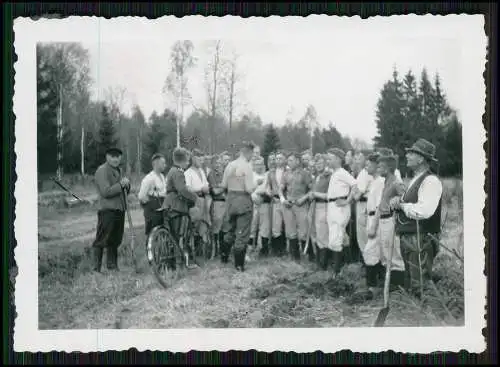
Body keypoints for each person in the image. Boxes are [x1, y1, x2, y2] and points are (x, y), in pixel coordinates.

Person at [391, 138, 443, 297]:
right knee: (411, 281)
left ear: (421, 158)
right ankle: (413, 313)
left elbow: (424, 211)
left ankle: (424, 315)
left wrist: (402, 206)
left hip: (421, 239)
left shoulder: (431, 181)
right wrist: (398, 201)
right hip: (410, 237)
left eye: (411, 153)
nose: (407, 156)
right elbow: (412, 203)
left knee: (420, 284)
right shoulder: (416, 179)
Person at [348, 152, 386, 304]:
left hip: (377, 219)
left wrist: (374, 225)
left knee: (371, 252)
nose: (366, 166)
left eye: (369, 164)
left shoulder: (381, 182)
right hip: (370, 217)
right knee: (374, 253)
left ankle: (373, 288)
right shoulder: (375, 181)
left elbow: (380, 206)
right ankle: (376, 285)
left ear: (377, 166)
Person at [91, 147, 130, 272]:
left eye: (118, 156)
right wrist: (121, 185)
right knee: (102, 239)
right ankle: (95, 269)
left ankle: (112, 267)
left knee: (115, 240)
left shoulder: (119, 170)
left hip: (119, 210)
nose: (115, 159)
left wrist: (127, 185)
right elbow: (105, 191)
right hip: (107, 210)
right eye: (112, 156)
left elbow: (124, 192)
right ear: (107, 157)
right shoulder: (102, 171)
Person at [220, 141, 256, 271]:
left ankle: (224, 257)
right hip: (243, 201)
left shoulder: (230, 165)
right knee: (242, 233)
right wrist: (257, 183)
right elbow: (249, 188)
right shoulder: (246, 166)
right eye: (252, 153)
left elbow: (223, 185)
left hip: (230, 200)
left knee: (230, 230)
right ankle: (239, 265)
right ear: (249, 152)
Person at [376, 149, 406, 290]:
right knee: (385, 252)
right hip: (382, 220)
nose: (378, 169)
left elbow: (406, 198)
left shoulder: (396, 182)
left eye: (380, 167)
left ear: (388, 168)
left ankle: (398, 286)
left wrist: (398, 200)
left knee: (393, 253)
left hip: (390, 220)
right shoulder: (386, 182)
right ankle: (388, 284)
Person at [326, 148, 357, 278]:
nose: (328, 160)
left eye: (330, 158)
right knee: (340, 237)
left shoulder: (342, 173)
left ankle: (337, 271)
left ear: (338, 159)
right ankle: (346, 265)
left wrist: (347, 201)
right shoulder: (334, 173)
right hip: (332, 206)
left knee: (336, 239)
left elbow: (355, 185)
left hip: (340, 207)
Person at [279, 152, 313, 261]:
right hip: (289, 205)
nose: (288, 163)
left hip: (301, 205)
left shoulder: (305, 174)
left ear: (298, 161)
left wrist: (304, 198)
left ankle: (309, 256)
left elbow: (312, 189)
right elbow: (280, 189)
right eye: (288, 160)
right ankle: (295, 258)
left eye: (291, 160)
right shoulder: (286, 174)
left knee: (303, 231)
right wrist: (283, 200)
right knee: (290, 232)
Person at [184, 149, 211, 252]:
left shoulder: (201, 172)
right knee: (195, 224)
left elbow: (206, 184)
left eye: (203, 159)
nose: (202, 161)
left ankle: (202, 249)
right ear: (193, 159)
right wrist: (200, 189)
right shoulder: (188, 173)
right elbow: (188, 189)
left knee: (204, 224)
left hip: (204, 199)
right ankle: (192, 248)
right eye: (199, 159)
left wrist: (206, 188)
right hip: (195, 200)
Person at [308, 154, 332, 269]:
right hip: (314, 206)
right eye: (316, 163)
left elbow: (330, 195)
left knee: (323, 235)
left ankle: (324, 264)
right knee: (315, 234)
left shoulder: (329, 176)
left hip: (324, 206)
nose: (318, 165)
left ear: (326, 164)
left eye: (320, 163)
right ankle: (318, 261)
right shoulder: (316, 177)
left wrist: (315, 194)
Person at [138, 153, 167, 244]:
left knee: (163, 232)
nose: (165, 165)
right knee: (152, 234)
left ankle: (161, 254)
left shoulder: (162, 177)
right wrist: (150, 203)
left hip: (162, 209)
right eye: (163, 163)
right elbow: (141, 196)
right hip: (152, 211)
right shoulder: (149, 178)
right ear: (156, 164)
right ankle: (151, 255)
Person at [352, 151, 372, 265]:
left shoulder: (365, 173)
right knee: (362, 235)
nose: (356, 160)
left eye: (359, 158)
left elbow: (358, 194)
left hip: (363, 204)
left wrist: (354, 192)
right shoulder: (361, 173)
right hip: (362, 204)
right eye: (355, 158)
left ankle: (367, 264)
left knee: (363, 235)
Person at [267, 150, 287, 256]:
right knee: (276, 225)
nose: (278, 161)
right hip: (275, 201)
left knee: (286, 225)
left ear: (285, 160)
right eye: (276, 158)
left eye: (280, 158)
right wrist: (271, 195)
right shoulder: (271, 172)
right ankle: (277, 250)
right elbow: (267, 187)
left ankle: (285, 249)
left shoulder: (288, 171)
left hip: (286, 201)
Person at [249, 156, 270, 254]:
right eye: (256, 164)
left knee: (264, 227)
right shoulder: (250, 175)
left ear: (263, 165)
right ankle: (249, 249)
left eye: (260, 164)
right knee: (252, 227)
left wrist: (262, 192)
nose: (258, 166)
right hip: (252, 204)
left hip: (264, 203)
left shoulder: (267, 175)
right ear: (253, 165)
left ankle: (262, 249)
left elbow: (268, 190)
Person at [207, 154, 226, 256]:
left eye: (220, 162)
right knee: (216, 228)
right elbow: (215, 191)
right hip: (217, 203)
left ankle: (223, 250)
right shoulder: (211, 175)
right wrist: (224, 187)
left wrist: (221, 187)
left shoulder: (225, 174)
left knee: (225, 227)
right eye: (216, 163)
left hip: (227, 202)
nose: (218, 165)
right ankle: (214, 251)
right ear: (212, 164)